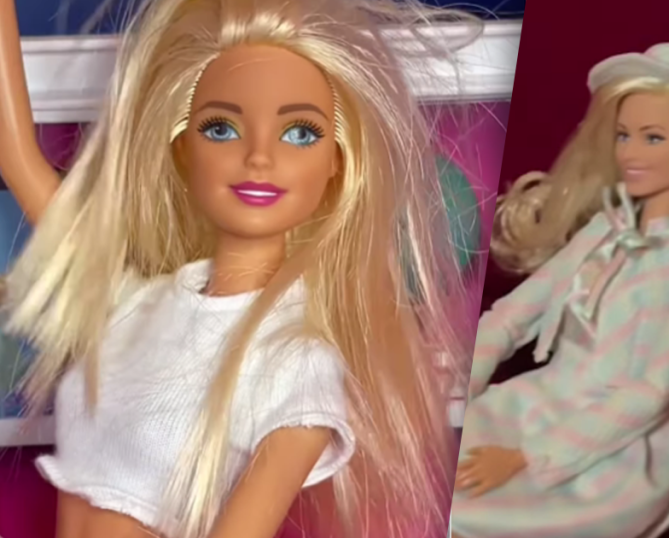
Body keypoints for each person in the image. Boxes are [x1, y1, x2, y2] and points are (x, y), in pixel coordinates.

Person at [0, 0, 474, 536]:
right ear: (183, 150)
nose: (259, 157)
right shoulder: (135, 303)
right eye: (222, 128)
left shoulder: (297, 363)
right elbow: (17, 155)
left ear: (337, 162)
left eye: (300, 133)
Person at [449, 43, 669, 538]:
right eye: (623, 135)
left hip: (619, 435)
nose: (629, 152)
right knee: (437, 474)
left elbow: (654, 390)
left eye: (653, 138)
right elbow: (512, 315)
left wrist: (528, 457)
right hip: (541, 400)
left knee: (503, 515)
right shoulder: (603, 230)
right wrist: (463, 387)